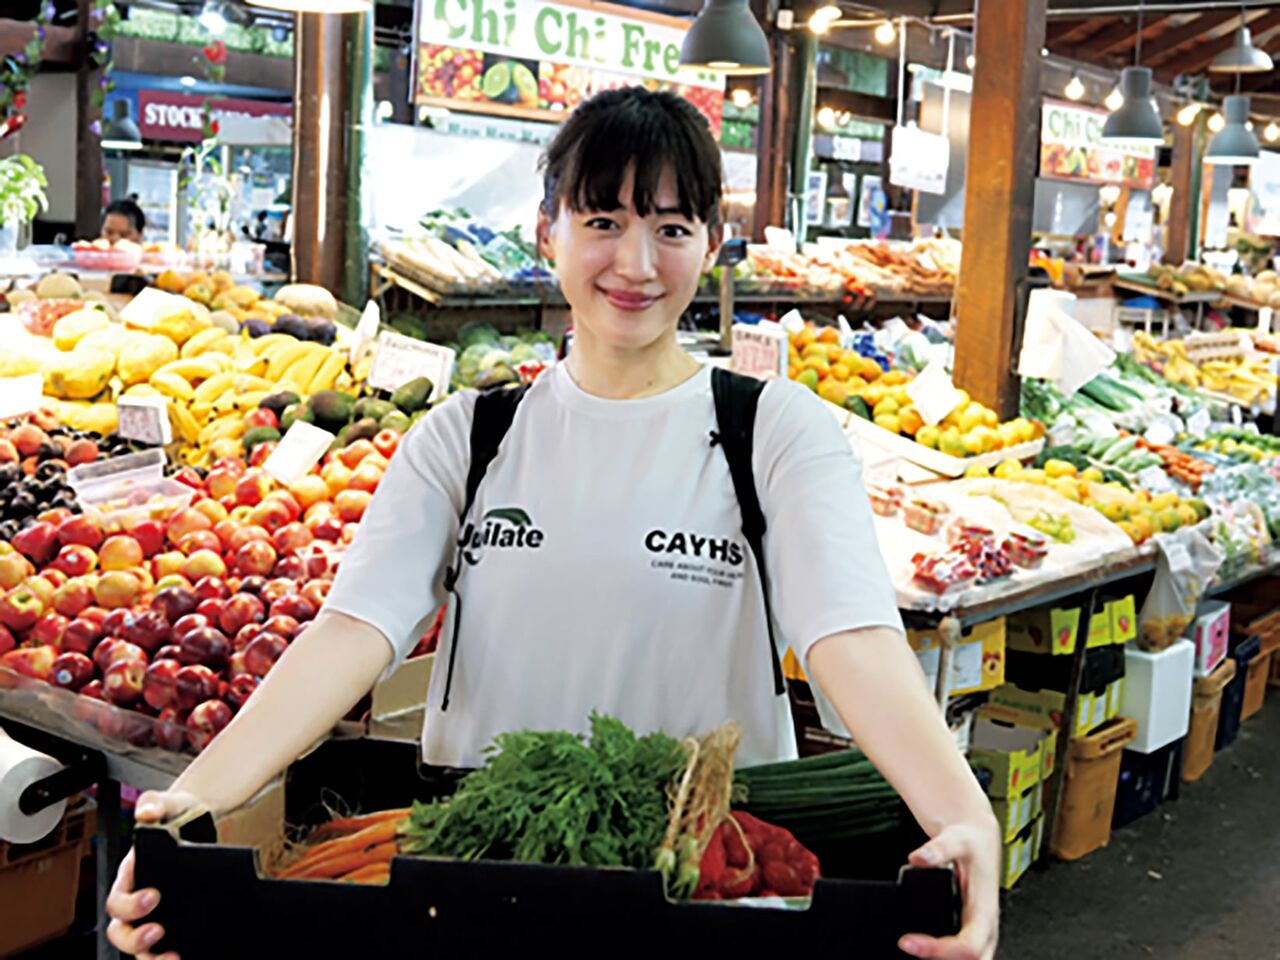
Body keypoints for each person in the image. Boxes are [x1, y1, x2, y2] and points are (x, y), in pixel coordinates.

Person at [106, 87, 999, 960]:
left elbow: (850, 634)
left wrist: (961, 816)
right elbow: (352, 631)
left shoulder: (773, 430)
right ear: (548, 232)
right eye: (603, 220)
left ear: (712, 243)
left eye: (672, 228)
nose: (636, 263)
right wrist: (192, 802)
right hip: (475, 879)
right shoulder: (466, 435)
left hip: (703, 890)